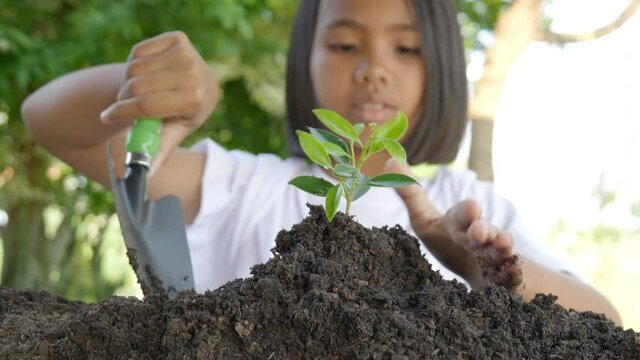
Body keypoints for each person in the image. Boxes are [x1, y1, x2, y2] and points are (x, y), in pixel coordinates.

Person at [21, 0, 621, 325]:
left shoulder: (470, 207)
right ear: (303, 59)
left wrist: (496, 277)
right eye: (344, 44)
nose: (373, 68)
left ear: (439, 65)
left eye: (406, 47)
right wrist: (146, 86)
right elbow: (50, 124)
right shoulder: (246, 186)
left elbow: (607, 323)